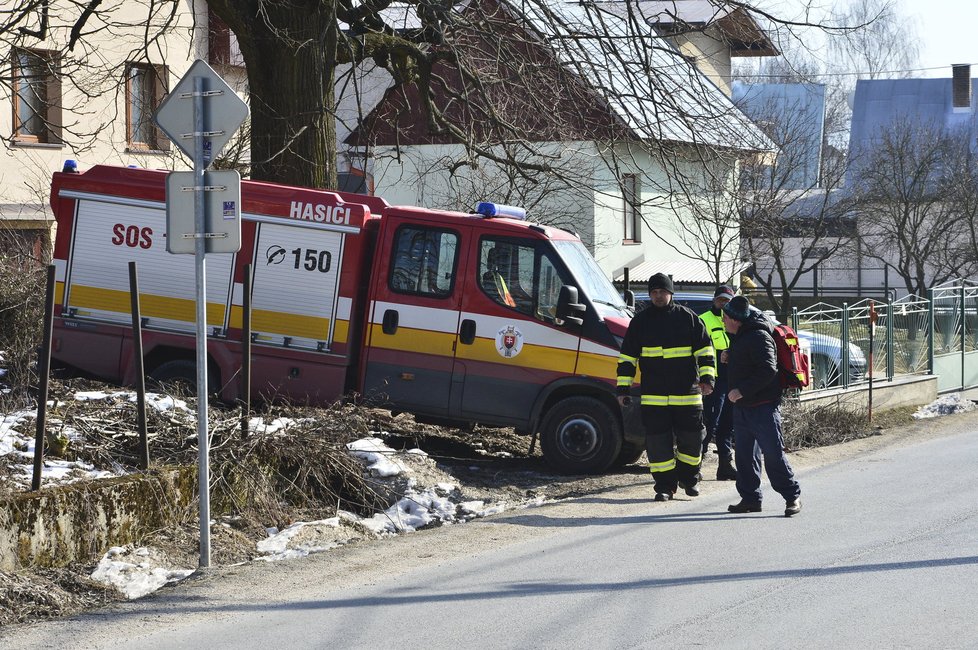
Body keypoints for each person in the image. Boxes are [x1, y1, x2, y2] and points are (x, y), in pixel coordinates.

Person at [617, 273, 716, 502]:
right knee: (658, 444)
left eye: (662, 292)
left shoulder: (689, 319)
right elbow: (627, 358)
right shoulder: (640, 322)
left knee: (692, 440)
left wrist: (707, 380)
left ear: (671, 293)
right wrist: (623, 388)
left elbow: (705, 352)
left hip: (688, 394)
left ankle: (689, 479)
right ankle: (664, 486)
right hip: (654, 396)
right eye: (654, 292)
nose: (658, 296)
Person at [721, 295, 802, 517]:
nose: (723, 321)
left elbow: (768, 370)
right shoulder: (740, 334)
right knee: (745, 456)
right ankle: (750, 499)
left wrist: (741, 390)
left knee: (773, 454)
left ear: (735, 320)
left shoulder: (758, 336)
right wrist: (729, 356)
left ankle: (792, 496)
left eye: (725, 317)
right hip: (743, 407)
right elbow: (749, 362)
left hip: (763, 407)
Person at [699, 285, 737, 481]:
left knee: (727, 425)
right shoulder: (704, 319)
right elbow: (699, 351)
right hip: (713, 379)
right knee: (709, 423)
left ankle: (725, 466)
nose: (723, 304)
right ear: (714, 300)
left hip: (731, 379)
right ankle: (695, 466)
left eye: (727, 301)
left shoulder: (735, 320)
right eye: (721, 300)